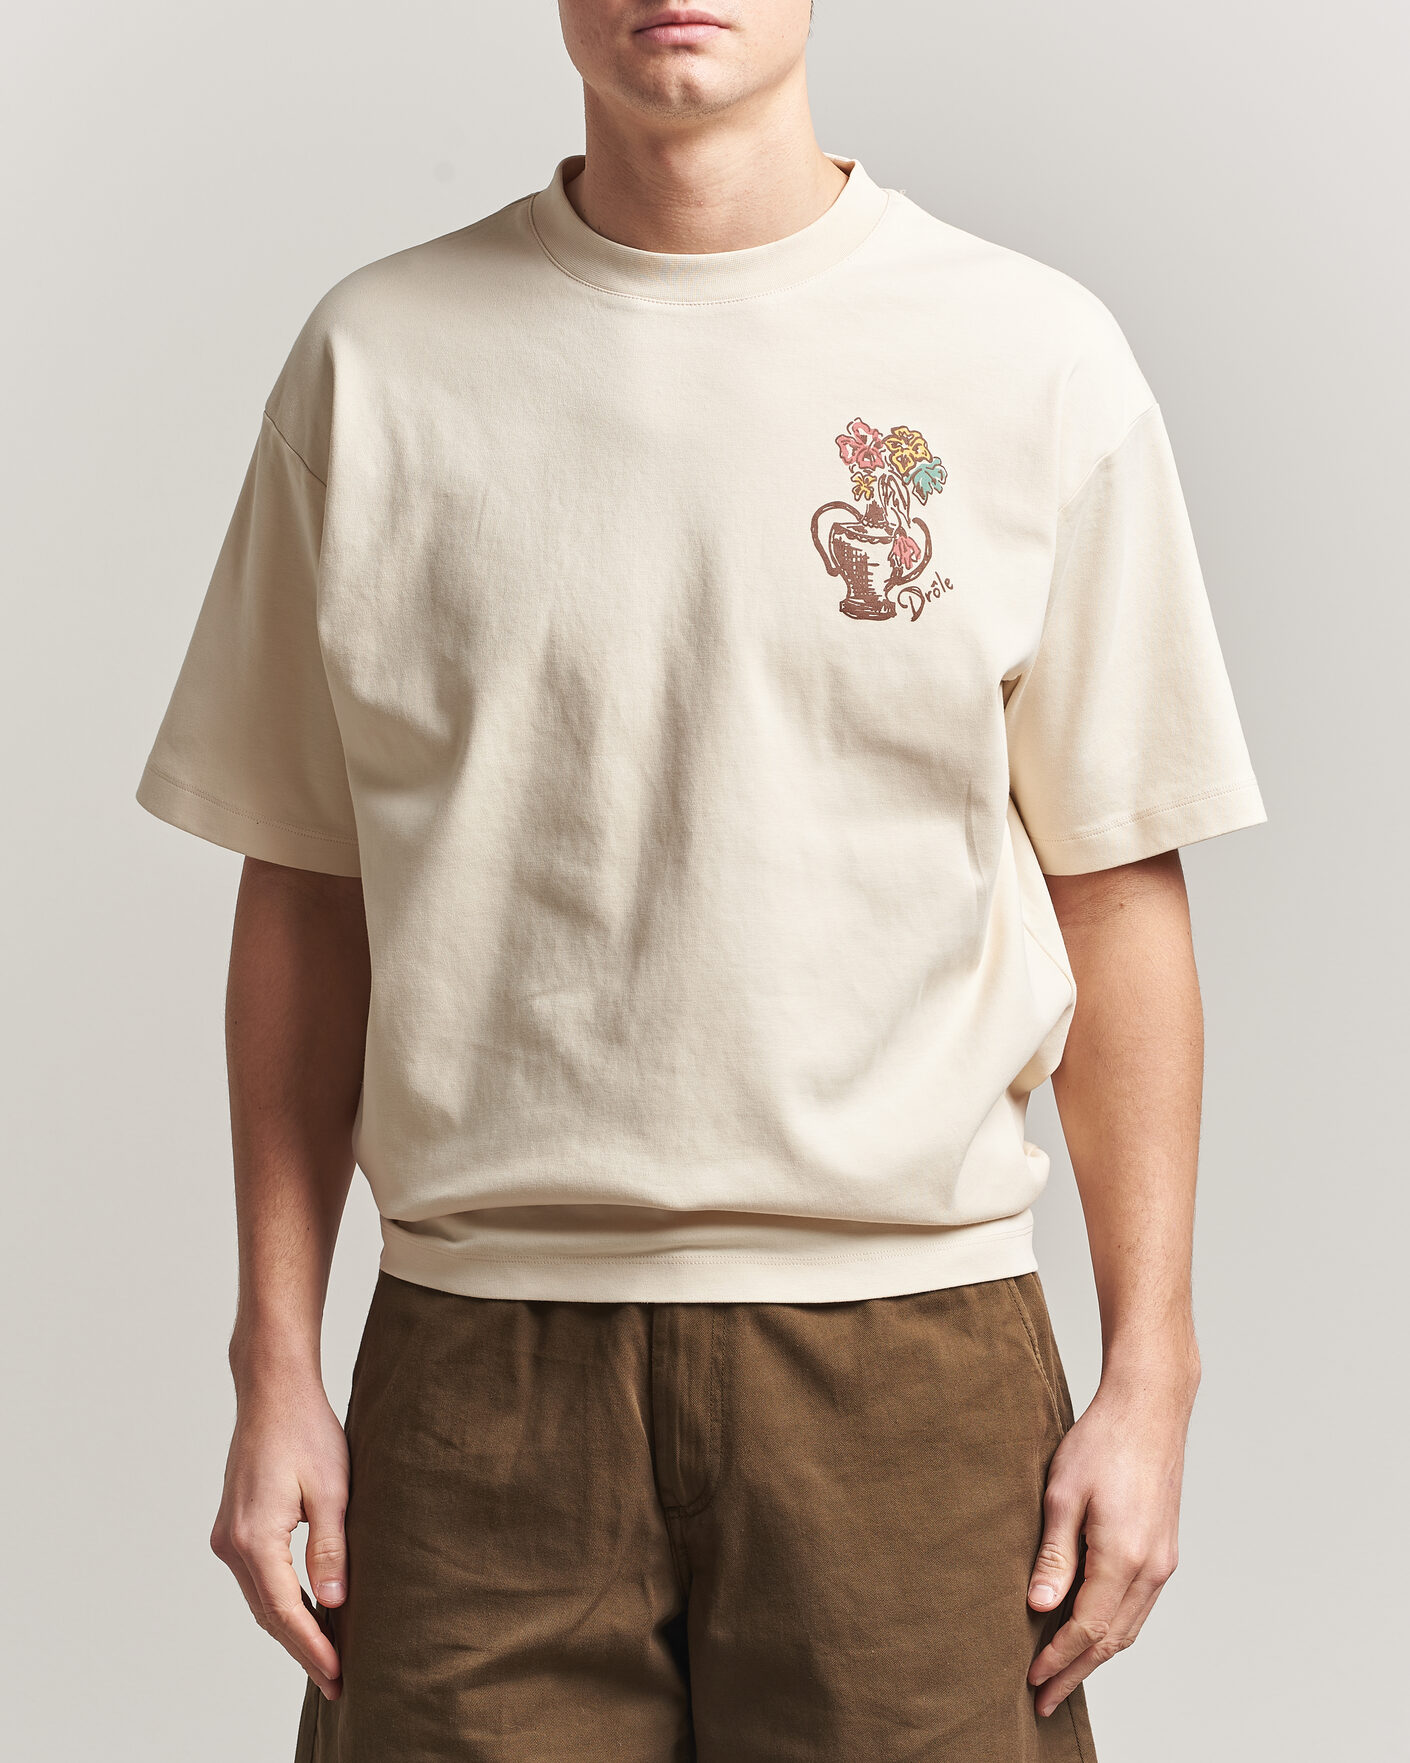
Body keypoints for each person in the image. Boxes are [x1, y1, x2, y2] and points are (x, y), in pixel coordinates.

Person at [134, 3, 1266, 1758]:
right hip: (479, 1369)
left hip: (907, 1364)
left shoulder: (1029, 358)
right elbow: (307, 887)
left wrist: (1153, 1374)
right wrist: (272, 1358)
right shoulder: (376, 363)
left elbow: (1112, 894)